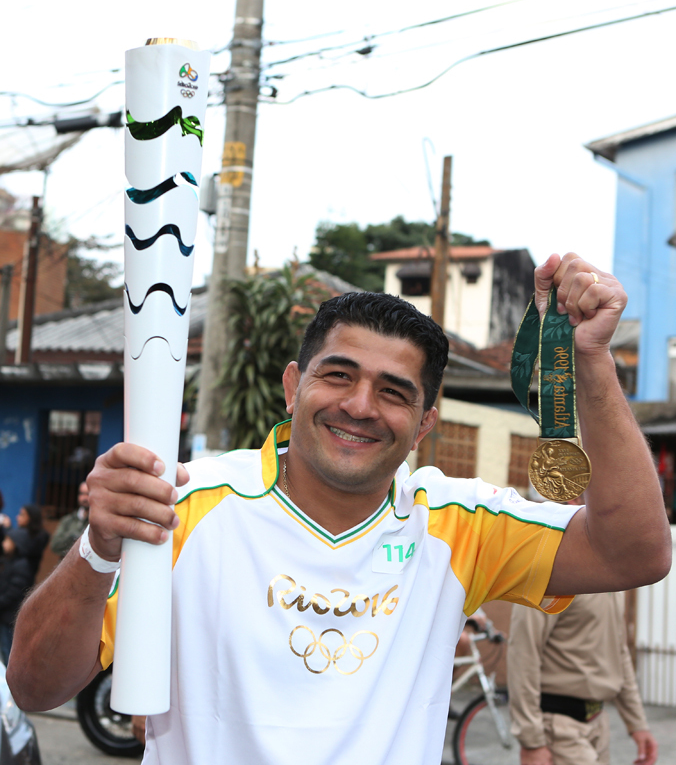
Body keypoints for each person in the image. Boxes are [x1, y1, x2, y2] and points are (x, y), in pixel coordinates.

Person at [6, 254, 672, 765]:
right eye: (338, 375)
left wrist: (590, 361)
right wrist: (99, 549)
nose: (359, 405)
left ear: (424, 424)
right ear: (295, 386)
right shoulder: (188, 505)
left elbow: (636, 550)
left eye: (392, 391)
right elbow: (35, 687)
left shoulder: (455, 521)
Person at [508, 592, 659, 765]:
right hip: (559, 729)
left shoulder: (613, 581)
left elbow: (619, 652)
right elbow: (523, 656)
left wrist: (638, 724)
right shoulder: (551, 578)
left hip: (598, 723)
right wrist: (532, 742)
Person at [0, 533, 33, 665]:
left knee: (8, 651)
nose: (4, 543)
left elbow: (13, 592)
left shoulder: (21, 565)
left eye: (8, 540)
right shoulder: (10, 561)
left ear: (16, 543)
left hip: (10, 617)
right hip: (5, 614)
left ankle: (10, 683)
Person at [50, 482, 90, 559]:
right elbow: (55, 546)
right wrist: (72, 536)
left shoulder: (96, 522)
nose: (84, 498)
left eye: (88, 494)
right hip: (66, 566)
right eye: (81, 494)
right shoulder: (68, 520)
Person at [10, 505, 49, 582]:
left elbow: (23, 546)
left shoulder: (38, 536)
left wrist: (6, 528)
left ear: (31, 517)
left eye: (22, 514)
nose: (18, 517)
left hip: (22, 580)